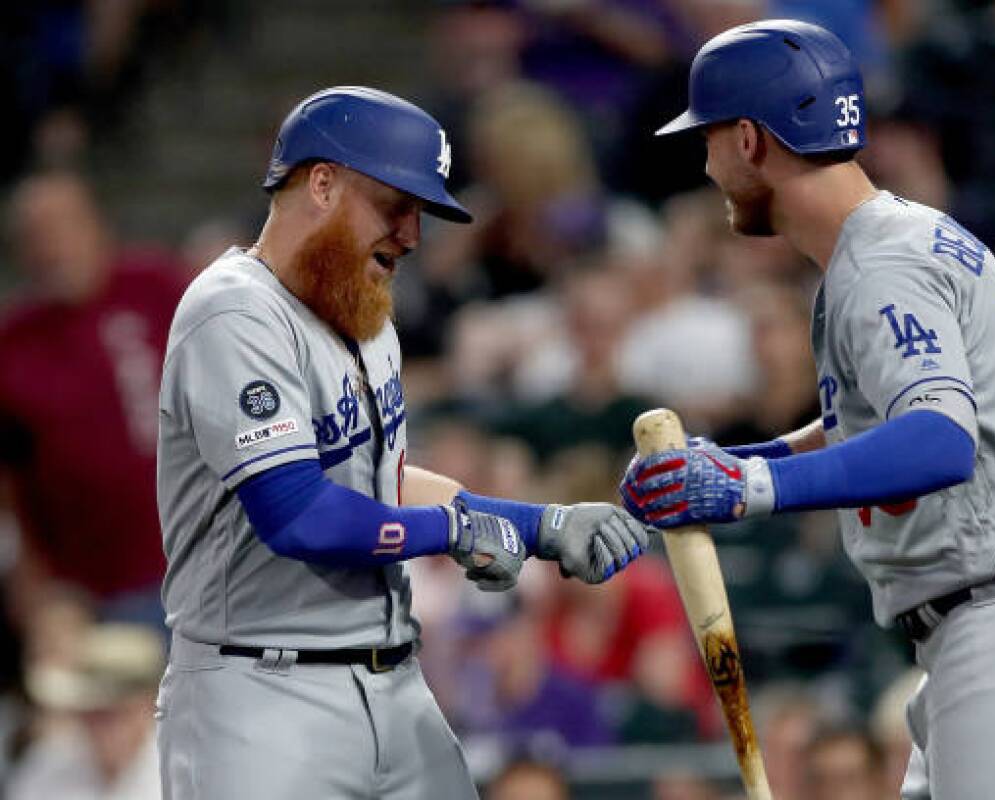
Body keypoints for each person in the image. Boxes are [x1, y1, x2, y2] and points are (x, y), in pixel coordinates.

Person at [620, 21, 995, 799]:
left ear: (753, 141)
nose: (706, 163)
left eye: (711, 139)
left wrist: (748, 489)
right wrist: (738, 464)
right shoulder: (890, 242)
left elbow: (937, 440)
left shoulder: (882, 263)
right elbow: (879, 419)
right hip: (993, 622)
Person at [155, 86, 653, 800]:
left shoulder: (363, 314)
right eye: (396, 206)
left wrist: (542, 524)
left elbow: (381, 486)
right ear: (321, 183)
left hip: (394, 681)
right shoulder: (234, 311)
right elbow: (300, 516)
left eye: (420, 212)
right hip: (262, 695)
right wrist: (454, 530)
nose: (413, 235)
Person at [0, 171, 186, 629]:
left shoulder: (159, 287)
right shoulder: (13, 341)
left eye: (64, 228)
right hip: (93, 594)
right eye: (36, 237)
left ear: (97, 227)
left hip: (208, 565)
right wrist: (32, 587)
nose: (52, 248)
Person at [7, 623, 165, 800]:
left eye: (111, 712)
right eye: (88, 710)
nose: (95, 723)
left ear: (147, 706)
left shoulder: (183, 771)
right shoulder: (45, 762)